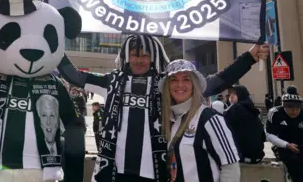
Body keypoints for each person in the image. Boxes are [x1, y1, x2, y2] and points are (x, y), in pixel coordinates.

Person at [58, 34, 269, 182]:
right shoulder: (110, 81)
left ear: (154, 57)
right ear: (126, 55)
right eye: (134, 54)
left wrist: (249, 57)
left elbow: (214, 82)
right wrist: (52, 46)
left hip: (155, 172)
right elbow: (74, 76)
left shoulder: (166, 83)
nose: (139, 60)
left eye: (144, 55)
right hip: (112, 172)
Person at [160, 59, 240, 181]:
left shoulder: (210, 118)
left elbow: (231, 167)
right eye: (174, 79)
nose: (180, 85)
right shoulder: (172, 119)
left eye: (186, 79)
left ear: (194, 85)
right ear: (168, 86)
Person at [266, 85, 303, 181]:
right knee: (293, 165)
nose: (294, 111)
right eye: (290, 108)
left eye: (297, 108)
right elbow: (269, 135)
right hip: (283, 146)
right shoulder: (275, 113)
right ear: (283, 106)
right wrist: (286, 145)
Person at [224, 85, 266, 163]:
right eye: (230, 94)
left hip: (243, 156)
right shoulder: (251, 108)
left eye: (235, 94)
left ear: (241, 95)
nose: (231, 96)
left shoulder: (236, 109)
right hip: (257, 156)